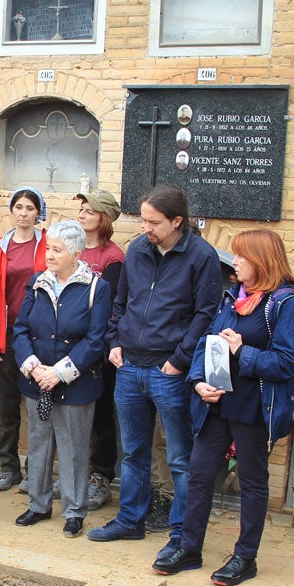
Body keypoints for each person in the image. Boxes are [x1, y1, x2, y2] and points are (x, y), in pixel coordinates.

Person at [153, 230, 294, 586]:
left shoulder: (284, 305)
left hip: (254, 408)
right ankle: (189, 547)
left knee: (252, 482)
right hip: (216, 405)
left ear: (262, 260)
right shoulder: (231, 299)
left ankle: (245, 557)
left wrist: (243, 351)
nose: (234, 262)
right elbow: (204, 346)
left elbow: (288, 363)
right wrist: (197, 382)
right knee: (200, 474)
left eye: (241, 256)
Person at [89, 184, 221, 561]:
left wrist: (180, 359)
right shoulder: (138, 251)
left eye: (154, 222)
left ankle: (182, 532)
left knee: (180, 456)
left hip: (169, 370)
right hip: (130, 364)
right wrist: (114, 341)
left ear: (177, 221)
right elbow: (121, 301)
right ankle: (131, 519)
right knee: (133, 451)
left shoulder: (201, 256)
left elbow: (205, 314)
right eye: (143, 219)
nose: (145, 227)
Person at [11, 220, 110, 538]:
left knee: (73, 448)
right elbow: (21, 329)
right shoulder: (37, 282)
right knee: (38, 444)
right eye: (48, 248)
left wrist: (59, 373)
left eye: (57, 249)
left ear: (76, 254)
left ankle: (74, 511)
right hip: (37, 380)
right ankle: (38, 506)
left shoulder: (96, 287)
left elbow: (96, 341)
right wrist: (34, 368)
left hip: (76, 384)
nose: (49, 255)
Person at [0, 187, 47, 491]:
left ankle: (36, 470)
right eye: (19, 207)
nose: (23, 213)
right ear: (11, 211)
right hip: (8, 333)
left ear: (38, 213)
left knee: (39, 404)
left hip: (39, 334)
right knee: (8, 404)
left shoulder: (47, 244)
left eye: (30, 208)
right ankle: (8, 466)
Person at [76, 189, 125, 509]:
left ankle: (101, 477)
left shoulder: (113, 258)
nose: (81, 214)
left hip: (99, 344)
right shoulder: (72, 249)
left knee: (102, 414)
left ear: (103, 218)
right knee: (73, 412)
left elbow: (111, 306)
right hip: (69, 342)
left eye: (89, 211)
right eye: (80, 209)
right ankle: (74, 473)